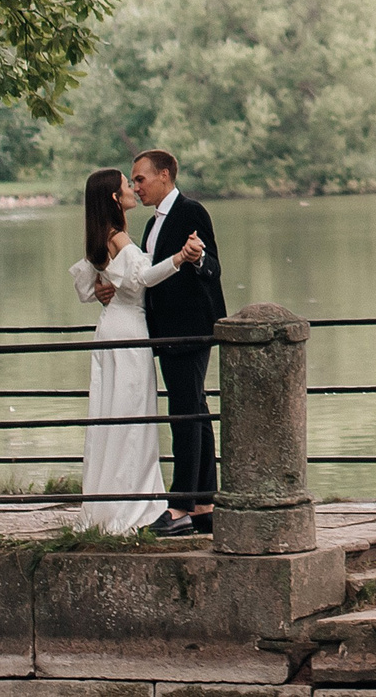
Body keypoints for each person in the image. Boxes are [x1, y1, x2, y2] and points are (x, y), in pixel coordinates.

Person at [68, 167, 201, 534]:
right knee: (132, 418)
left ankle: (110, 500)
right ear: (115, 197)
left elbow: (88, 286)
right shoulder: (119, 237)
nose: (132, 188)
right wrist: (180, 259)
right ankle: (134, 506)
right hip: (128, 330)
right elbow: (142, 277)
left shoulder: (102, 236)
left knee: (113, 415)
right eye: (128, 184)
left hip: (111, 327)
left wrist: (101, 286)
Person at [124, 149, 225, 536]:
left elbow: (213, 267)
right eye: (133, 181)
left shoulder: (191, 212)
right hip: (167, 332)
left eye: (141, 179)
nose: (137, 187)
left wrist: (197, 259)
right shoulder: (152, 226)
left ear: (164, 175)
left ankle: (180, 506)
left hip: (190, 329)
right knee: (194, 410)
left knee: (185, 414)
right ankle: (204, 506)